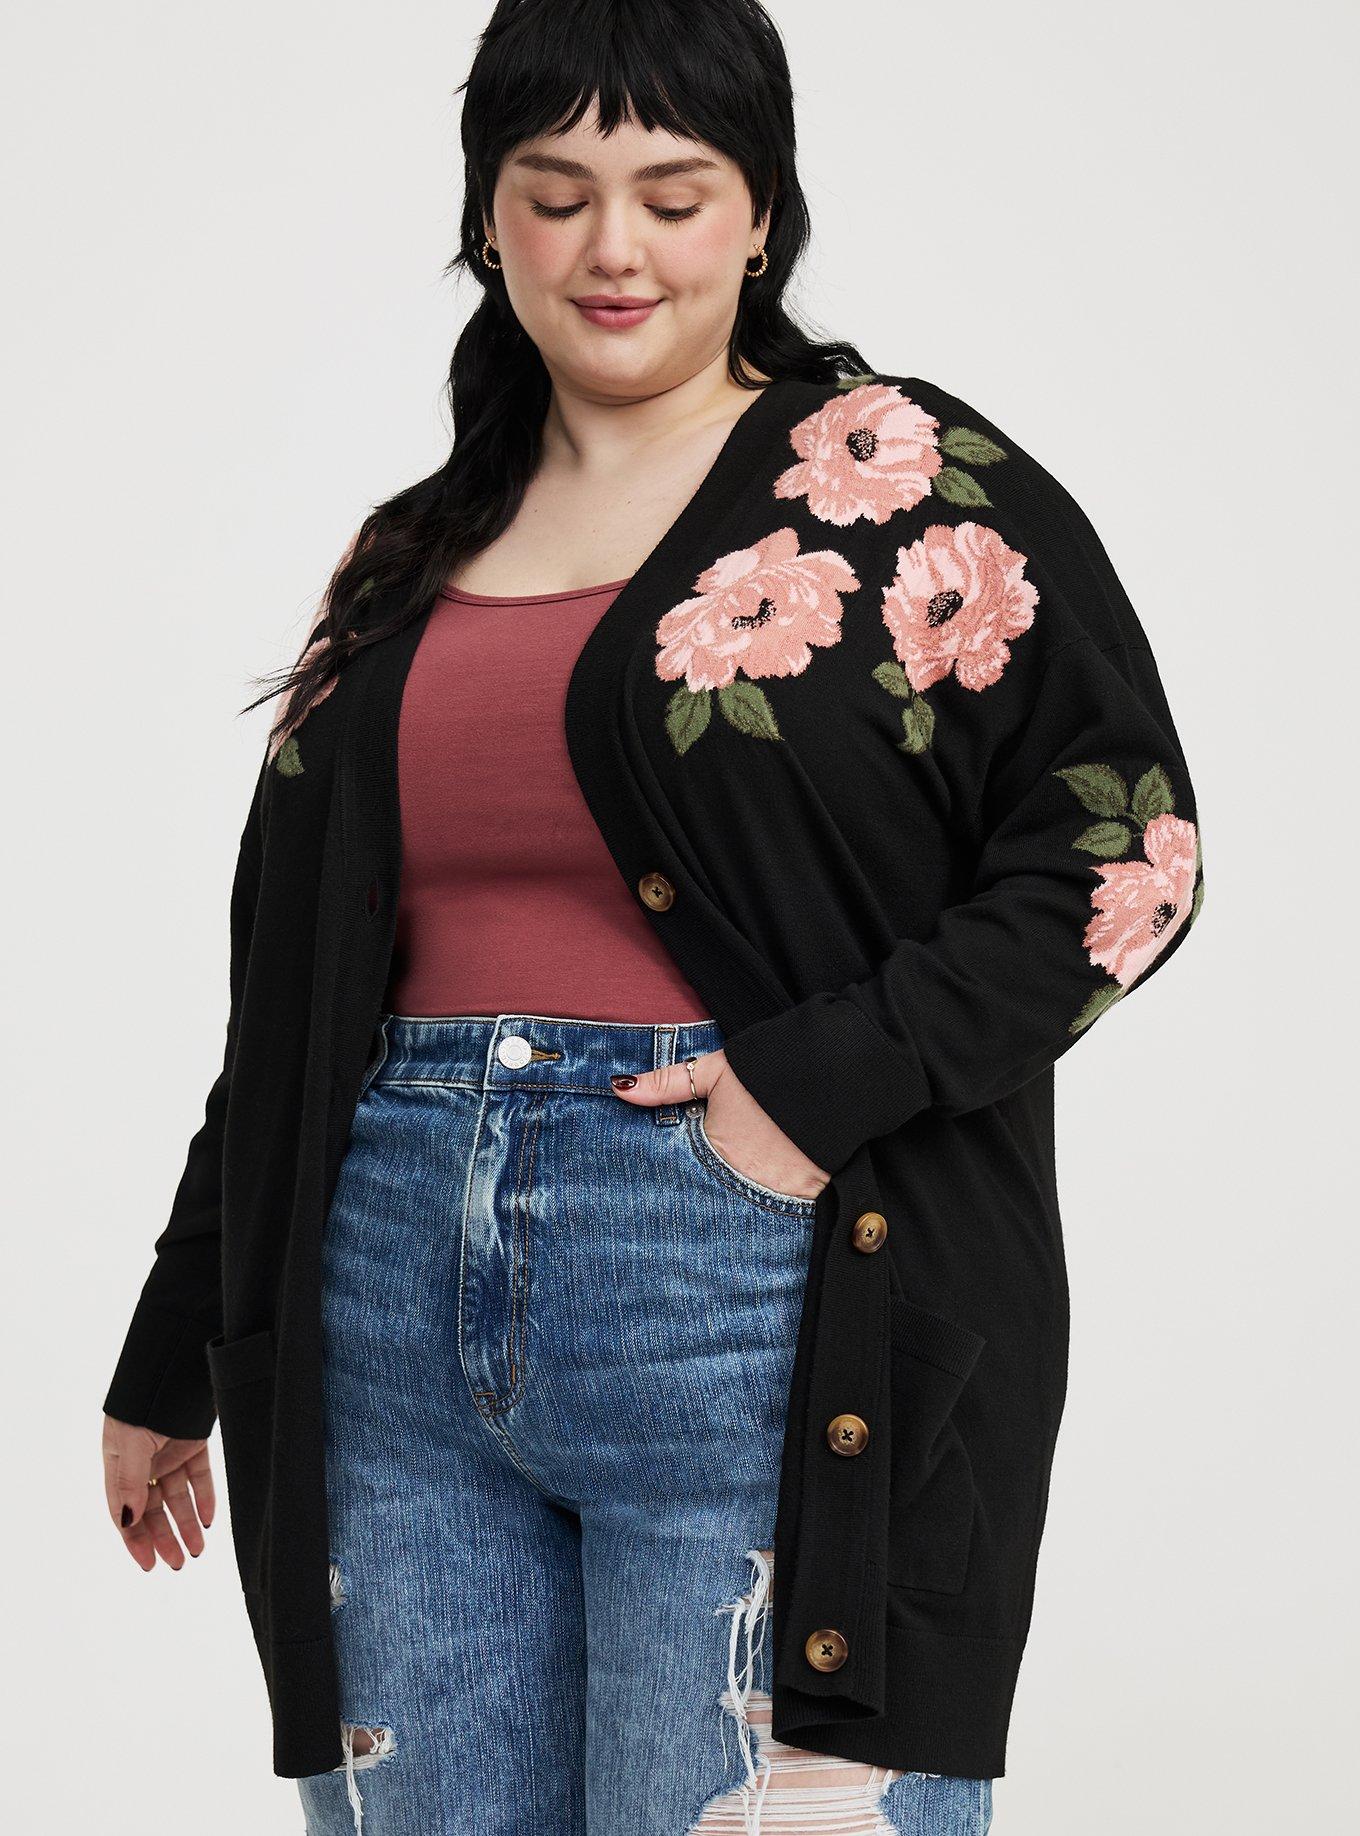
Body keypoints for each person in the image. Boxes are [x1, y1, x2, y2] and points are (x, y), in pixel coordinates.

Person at [100, 2, 1207, 1831]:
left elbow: (1129, 852)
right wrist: (176, 1337)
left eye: (674, 197)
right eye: (557, 195)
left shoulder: (899, 486)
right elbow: (287, 1000)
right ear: (488, 220)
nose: (614, 249)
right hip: (380, 1314)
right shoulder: (408, 555)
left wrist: (808, 1093)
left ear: (761, 213)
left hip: (758, 1293)